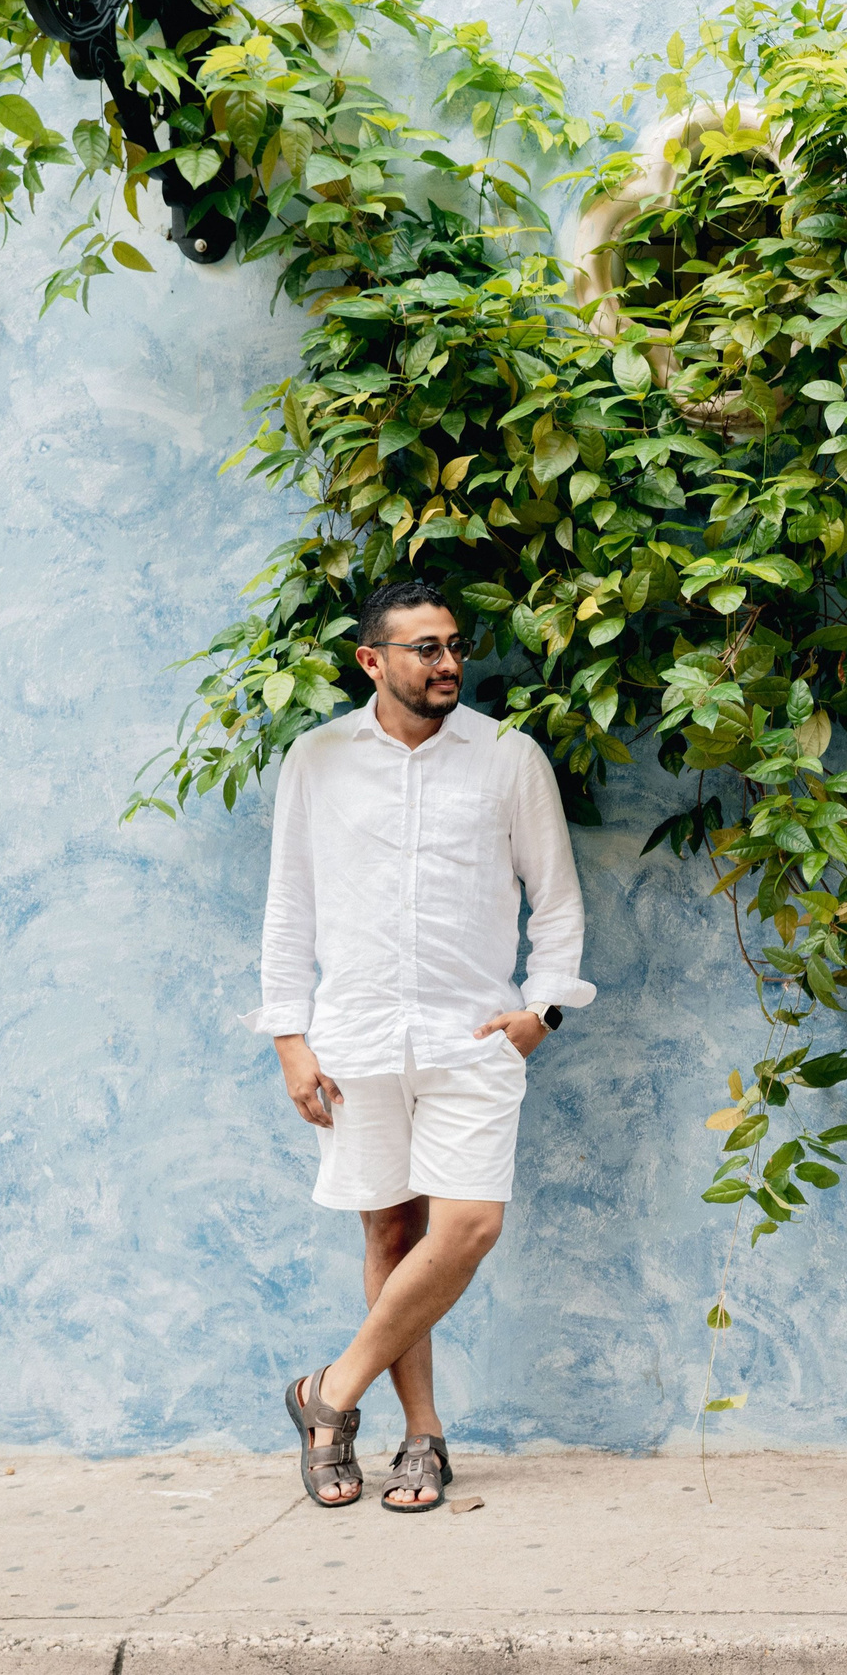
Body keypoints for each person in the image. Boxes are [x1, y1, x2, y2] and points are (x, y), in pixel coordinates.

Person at [242, 579, 594, 1511]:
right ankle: (423, 1437)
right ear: (373, 660)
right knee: (390, 1231)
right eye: (424, 648)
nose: (447, 663)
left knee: (467, 1227)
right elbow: (289, 909)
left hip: (473, 1038)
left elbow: (555, 902)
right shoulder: (316, 760)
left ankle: (328, 1394)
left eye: (453, 646)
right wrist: (289, 1037)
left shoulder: (509, 758)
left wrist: (540, 1013)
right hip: (355, 1037)